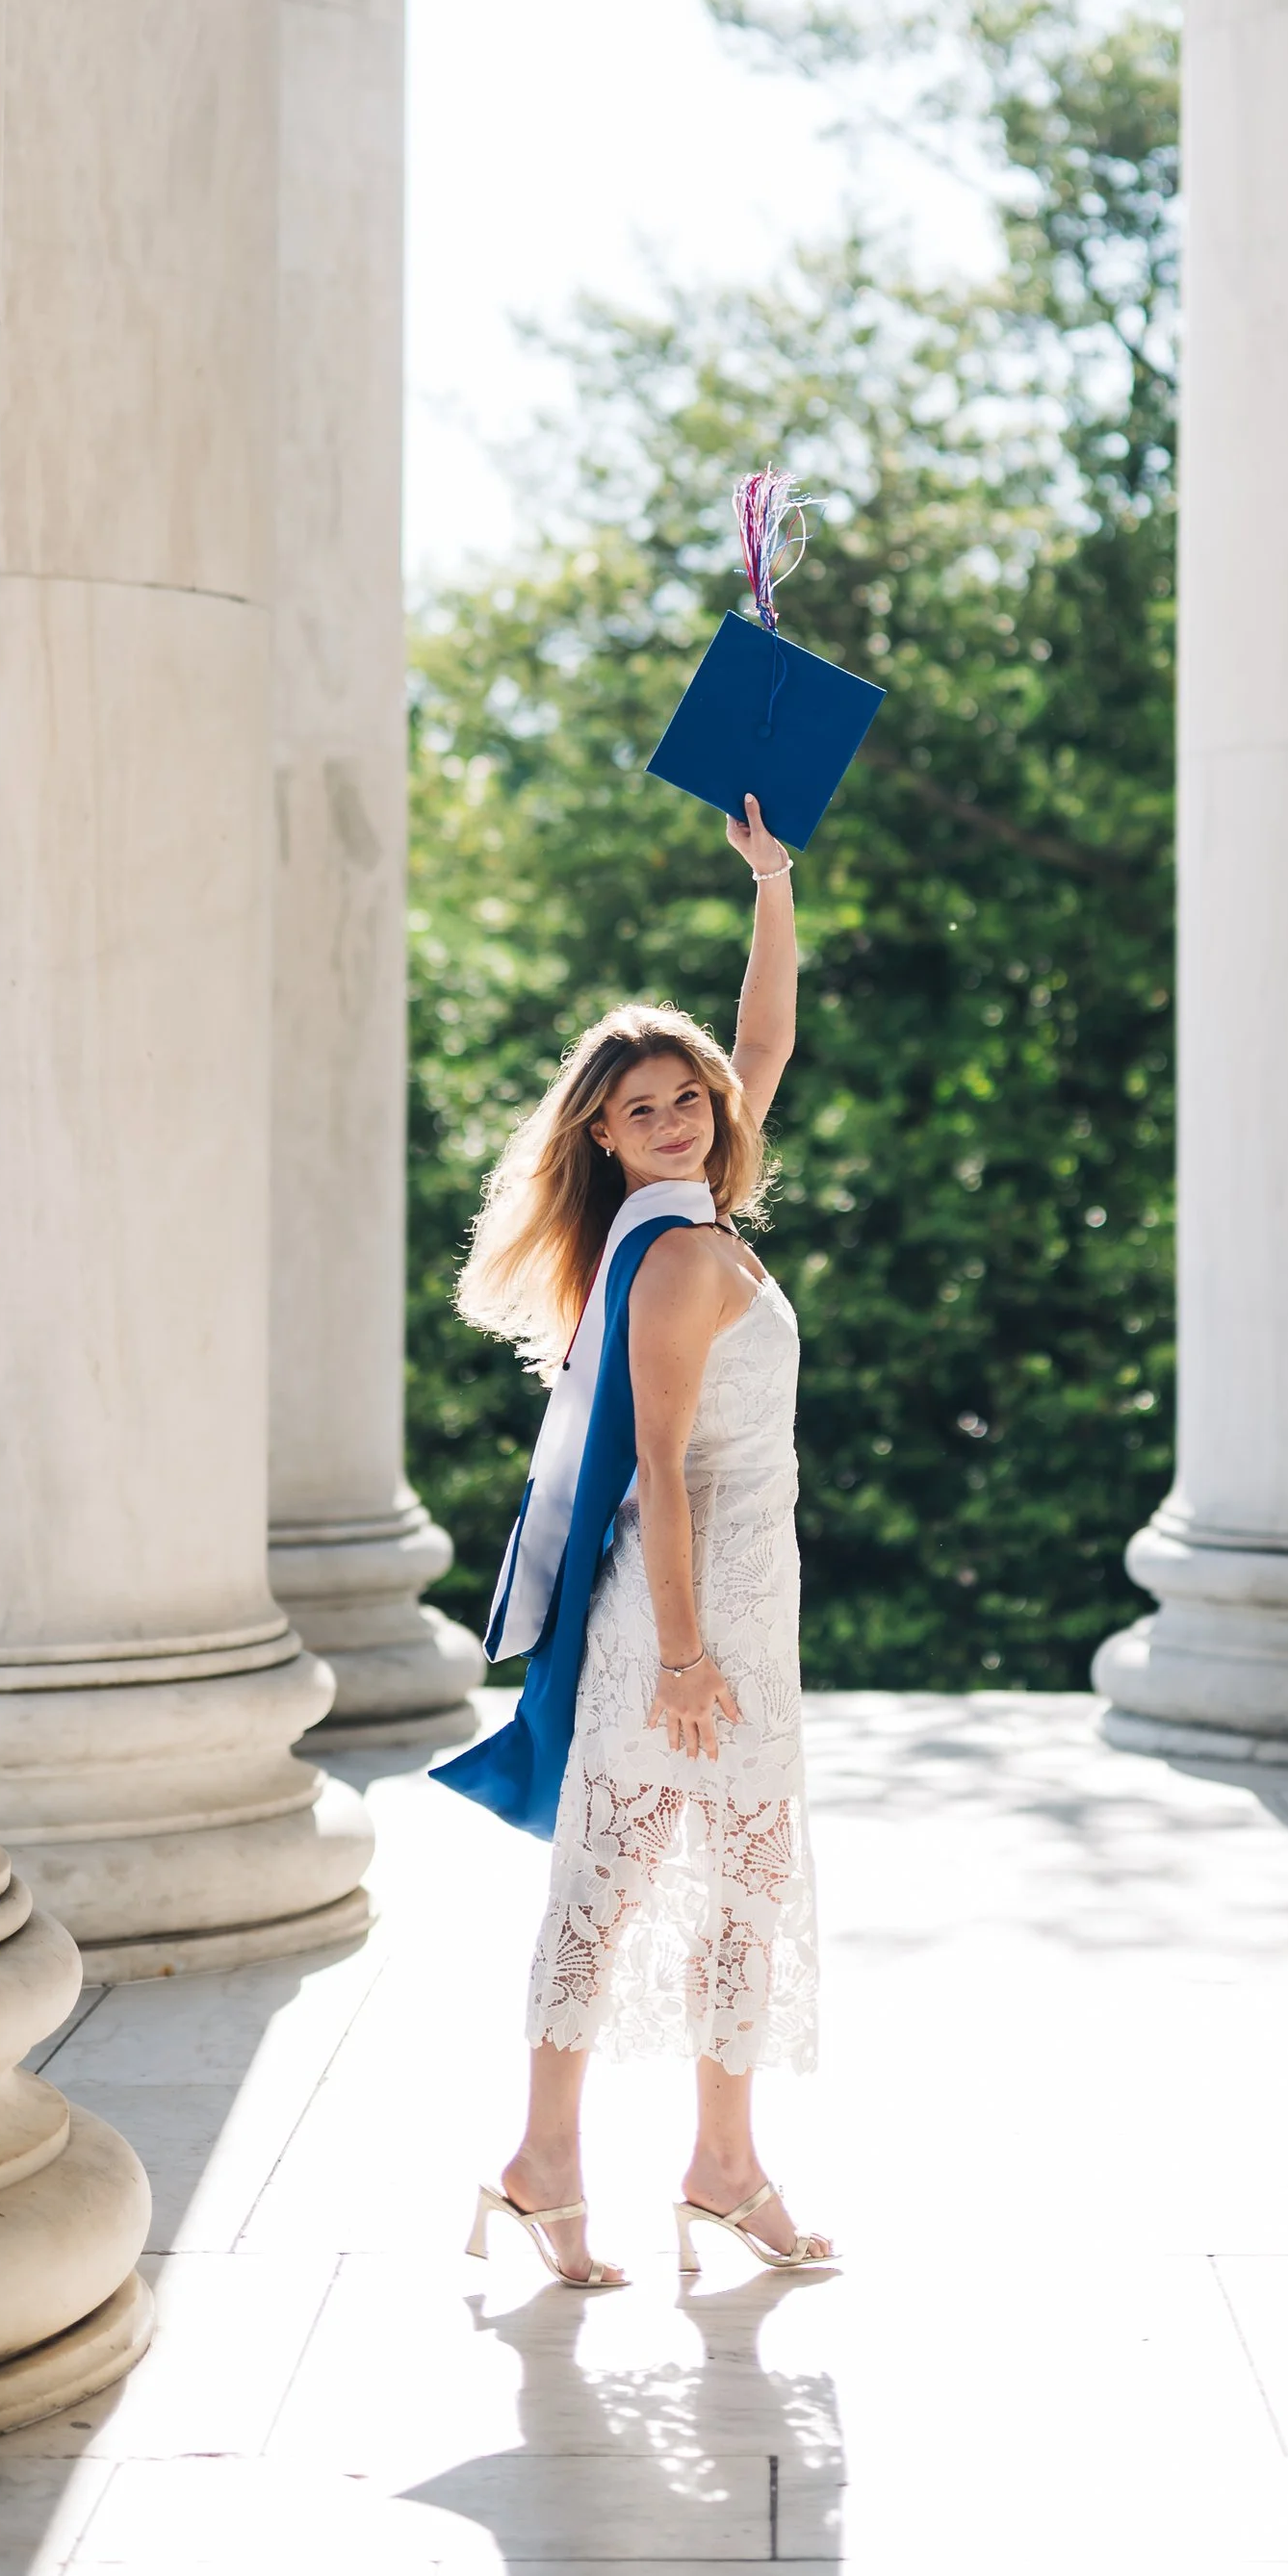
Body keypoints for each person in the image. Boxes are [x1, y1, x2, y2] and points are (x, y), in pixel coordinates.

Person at [452, 794, 833, 2289]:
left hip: (749, 1597)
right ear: (603, 1139)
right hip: (687, 1616)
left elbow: (772, 1034)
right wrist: (679, 1653)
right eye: (643, 1109)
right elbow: (657, 1475)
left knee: (739, 1877)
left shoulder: (706, 1214)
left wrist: (773, 882)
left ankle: (721, 2165)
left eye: (691, 1098)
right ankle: (550, 2158)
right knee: (612, 1882)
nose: (677, 1117)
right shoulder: (674, 1257)